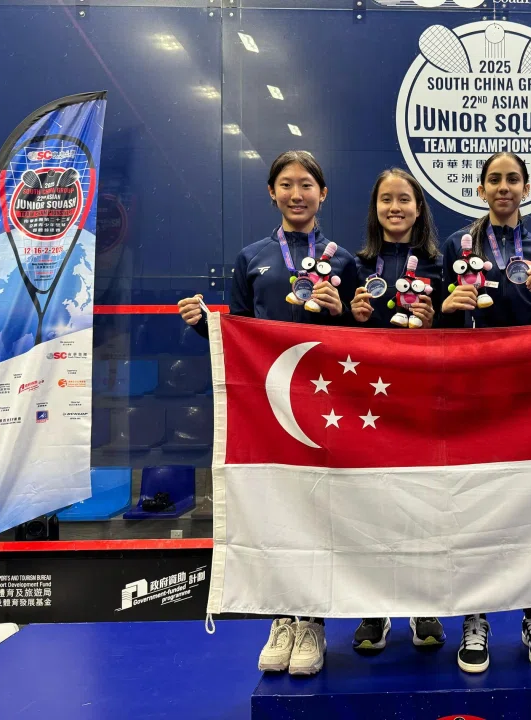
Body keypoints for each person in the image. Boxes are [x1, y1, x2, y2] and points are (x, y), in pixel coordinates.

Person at [176, 150, 356, 677]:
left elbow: (364, 342)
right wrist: (203, 325)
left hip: (327, 406)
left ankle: (314, 621)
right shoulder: (251, 257)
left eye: (306, 185)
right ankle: (283, 616)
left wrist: (343, 312)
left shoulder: (345, 261)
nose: (296, 194)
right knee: (279, 508)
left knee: (321, 512)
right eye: (286, 185)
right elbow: (241, 334)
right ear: (271, 193)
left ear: (323, 194)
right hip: (271, 407)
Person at [438, 152, 531, 674]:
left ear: (527, 187)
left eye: (513, 179)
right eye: (495, 179)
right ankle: (475, 616)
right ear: (481, 187)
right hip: (471, 396)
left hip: (527, 398)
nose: (504, 187)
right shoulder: (455, 247)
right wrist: (448, 309)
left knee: (529, 505)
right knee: (474, 505)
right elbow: (442, 331)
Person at [349, 168, 446, 652]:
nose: (395, 208)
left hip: (424, 398)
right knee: (373, 505)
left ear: (418, 207)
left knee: (423, 503)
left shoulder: (440, 263)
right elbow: (341, 337)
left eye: (404, 199)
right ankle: (375, 611)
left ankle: (424, 604)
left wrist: (435, 321)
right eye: (386, 199)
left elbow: (460, 332)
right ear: (376, 208)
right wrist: (356, 317)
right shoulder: (353, 263)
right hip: (370, 402)